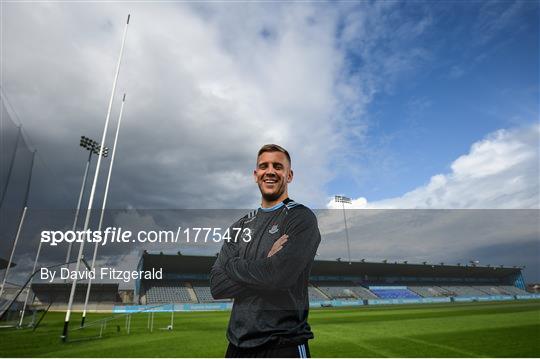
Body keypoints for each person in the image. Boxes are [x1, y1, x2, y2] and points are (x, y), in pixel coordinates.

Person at [210, 144, 321, 358]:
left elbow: (278, 277)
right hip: (236, 346)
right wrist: (266, 261)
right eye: (264, 166)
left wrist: (232, 265)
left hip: (283, 345)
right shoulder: (240, 225)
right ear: (256, 175)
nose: (270, 171)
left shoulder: (300, 218)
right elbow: (217, 286)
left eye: (278, 166)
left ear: (289, 175)